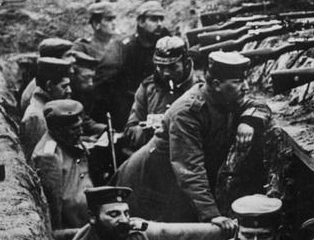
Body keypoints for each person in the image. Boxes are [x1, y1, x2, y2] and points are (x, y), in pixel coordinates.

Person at [115, 51, 271, 228]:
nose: (246, 87)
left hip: (174, 182)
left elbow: (259, 105)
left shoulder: (224, 96)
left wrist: (248, 121)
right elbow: (190, 168)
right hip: (147, 184)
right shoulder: (187, 112)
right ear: (216, 84)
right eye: (238, 82)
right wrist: (211, 214)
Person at [94, 0, 170, 128]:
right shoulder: (124, 48)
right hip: (129, 109)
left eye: (161, 19)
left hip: (159, 105)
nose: (159, 24)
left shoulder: (165, 44)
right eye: (154, 19)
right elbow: (103, 85)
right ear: (141, 22)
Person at [122, 35, 199, 154]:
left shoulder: (199, 89)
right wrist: (146, 132)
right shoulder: (147, 88)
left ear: (186, 63)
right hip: (154, 156)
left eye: (172, 67)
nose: (166, 73)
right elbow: (130, 129)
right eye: (161, 67)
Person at [31, 99, 92, 228]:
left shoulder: (67, 140)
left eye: (81, 127)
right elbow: (55, 204)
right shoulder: (49, 156)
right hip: (75, 228)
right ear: (58, 130)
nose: (80, 132)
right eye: (74, 129)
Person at [20, 57, 74, 157]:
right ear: (49, 86)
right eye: (64, 86)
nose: (69, 90)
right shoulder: (37, 117)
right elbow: (43, 158)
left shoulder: (47, 107)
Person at [18, 38, 74, 115]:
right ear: (54, 59)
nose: (73, 60)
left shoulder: (53, 78)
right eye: (68, 55)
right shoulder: (40, 90)